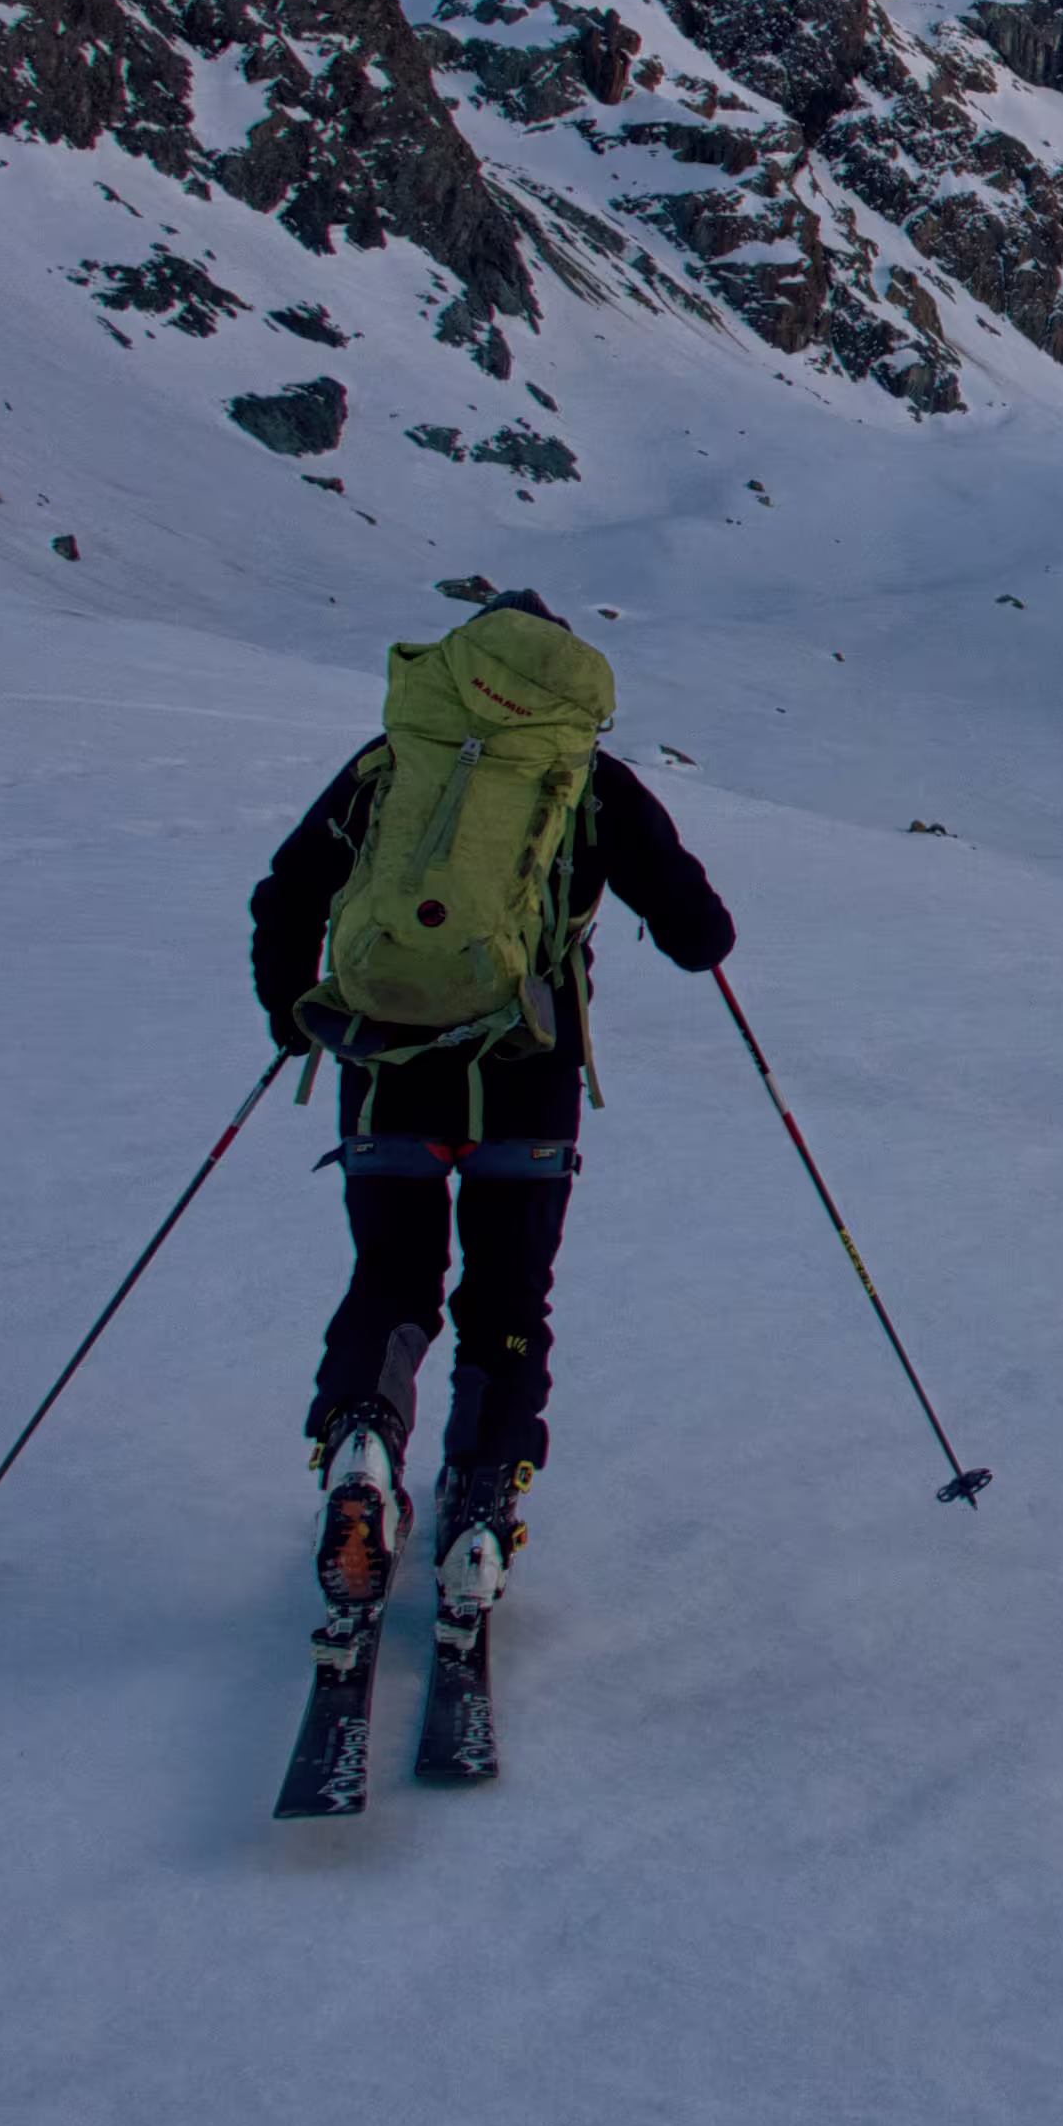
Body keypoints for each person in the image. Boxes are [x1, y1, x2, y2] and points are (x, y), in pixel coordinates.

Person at [247, 589, 734, 1620]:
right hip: (528, 1082)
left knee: (392, 1277)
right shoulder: (587, 782)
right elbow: (699, 932)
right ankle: (481, 1498)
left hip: (385, 1073)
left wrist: (295, 1014)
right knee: (508, 1301)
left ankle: (366, 1445)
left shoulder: (395, 762)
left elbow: (288, 892)